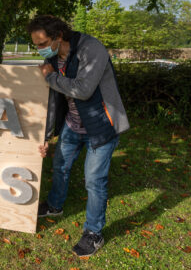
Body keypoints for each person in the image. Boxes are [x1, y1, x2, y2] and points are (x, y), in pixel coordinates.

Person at [27, 15, 129, 257]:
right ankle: (54, 206)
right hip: (72, 124)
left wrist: (51, 77)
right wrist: (46, 135)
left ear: (59, 36)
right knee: (60, 165)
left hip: (101, 126)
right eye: (36, 45)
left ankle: (94, 233)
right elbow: (53, 100)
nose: (39, 49)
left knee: (94, 180)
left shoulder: (91, 49)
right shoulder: (53, 57)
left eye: (42, 43)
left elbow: (83, 90)